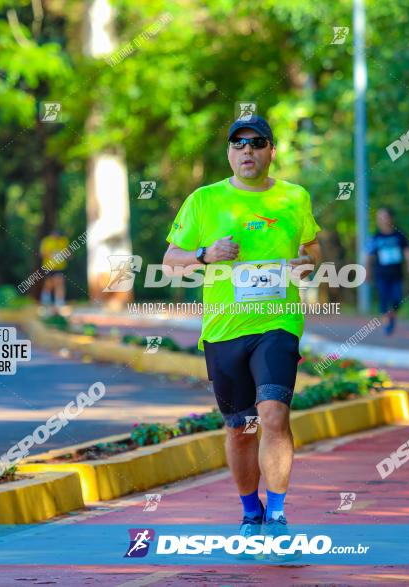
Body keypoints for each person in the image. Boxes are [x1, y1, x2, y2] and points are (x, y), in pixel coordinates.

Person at [162, 115, 321, 561]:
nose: (247, 150)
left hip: (278, 324)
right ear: (229, 153)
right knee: (240, 428)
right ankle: (250, 513)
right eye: (238, 144)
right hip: (225, 330)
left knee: (273, 414)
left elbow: (311, 249)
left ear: (272, 151)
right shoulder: (204, 200)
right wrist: (204, 254)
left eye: (256, 142)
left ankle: (278, 517)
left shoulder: (295, 197)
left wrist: (306, 264)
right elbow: (171, 260)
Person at [366, 207, 409, 335]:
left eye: (384, 217)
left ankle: (392, 316)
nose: (381, 220)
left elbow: (407, 250)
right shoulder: (376, 237)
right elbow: (369, 256)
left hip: (397, 274)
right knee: (383, 298)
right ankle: (387, 324)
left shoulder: (399, 235)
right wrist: (367, 272)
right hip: (381, 274)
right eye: (379, 218)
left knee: (397, 299)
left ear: (390, 218)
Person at [40, 229, 68, 307]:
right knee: (49, 284)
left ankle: (59, 302)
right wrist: (51, 254)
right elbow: (42, 253)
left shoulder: (63, 241)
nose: (56, 237)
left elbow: (69, 254)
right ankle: (45, 300)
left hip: (60, 267)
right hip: (48, 266)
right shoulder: (46, 241)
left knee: (59, 282)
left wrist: (63, 255)